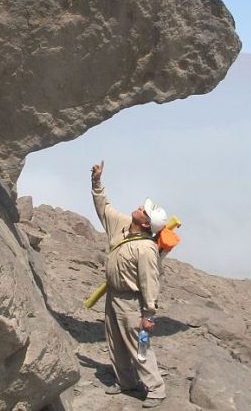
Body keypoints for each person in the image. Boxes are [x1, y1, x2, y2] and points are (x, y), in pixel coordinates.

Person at [91, 160, 167, 409]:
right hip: (113, 296)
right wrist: (97, 182)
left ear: (146, 224)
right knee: (115, 341)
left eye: (144, 211)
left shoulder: (146, 249)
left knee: (139, 345)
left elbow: (149, 283)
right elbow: (104, 208)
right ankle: (126, 382)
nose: (139, 208)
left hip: (131, 302)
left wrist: (149, 315)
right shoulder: (122, 226)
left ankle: (155, 389)